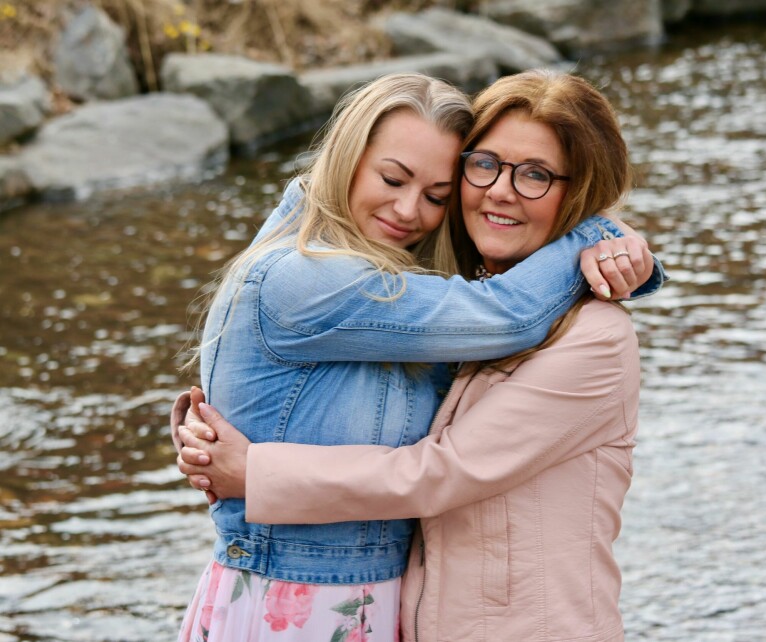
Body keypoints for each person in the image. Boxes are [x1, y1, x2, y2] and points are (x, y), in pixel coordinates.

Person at [172, 71, 662, 641]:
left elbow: (440, 470)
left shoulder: (590, 338)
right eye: (486, 165)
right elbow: (503, 315)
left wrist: (612, 242)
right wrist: (598, 237)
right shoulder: (321, 278)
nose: (501, 190)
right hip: (312, 600)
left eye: (536, 175)